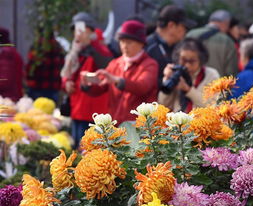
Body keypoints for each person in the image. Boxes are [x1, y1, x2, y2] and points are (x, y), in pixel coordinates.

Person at [82, 20, 158, 125]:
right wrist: (88, 84)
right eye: (122, 41)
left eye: (129, 42)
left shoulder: (149, 64)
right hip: (116, 124)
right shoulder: (115, 63)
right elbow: (101, 87)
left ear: (141, 44)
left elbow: (142, 87)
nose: (124, 46)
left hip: (140, 126)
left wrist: (117, 80)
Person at [61, 12, 113, 149]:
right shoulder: (75, 52)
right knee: (76, 149)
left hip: (93, 112)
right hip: (77, 108)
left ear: (91, 30)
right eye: (76, 30)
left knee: (88, 151)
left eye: (82, 30)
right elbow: (66, 73)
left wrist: (92, 44)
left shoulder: (99, 49)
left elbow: (107, 64)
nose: (78, 34)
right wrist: (66, 82)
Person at [158, 38, 219, 112]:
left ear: (201, 60)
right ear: (178, 58)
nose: (187, 65)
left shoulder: (211, 75)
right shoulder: (175, 73)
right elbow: (163, 104)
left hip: (201, 121)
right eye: (183, 60)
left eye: (192, 61)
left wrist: (188, 90)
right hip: (177, 121)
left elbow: (212, 105)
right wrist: (167, 80)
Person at [146, 5, 196, 89]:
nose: (185, 32)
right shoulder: (147, 47)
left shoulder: (178, 47)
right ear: (171, 25)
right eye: (184, 27)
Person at [187, 10, 238, 77]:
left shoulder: (190, 34)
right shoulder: (227, 41)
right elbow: (231, 73)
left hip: (191, 84)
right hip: (216, 85)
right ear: (226, 23)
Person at [25, 30, 64, 103]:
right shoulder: (57, 47)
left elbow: (30, 67)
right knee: (51, 111)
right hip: (52, 87)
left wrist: (28, 81)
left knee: (35, 112)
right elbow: (62, 66)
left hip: (37, 86)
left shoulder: (36, 46)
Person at [0, 28, 24, 102]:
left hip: (7, 99)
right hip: (11, 97)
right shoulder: (10, 52)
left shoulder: (6, 53)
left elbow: (5, 80)